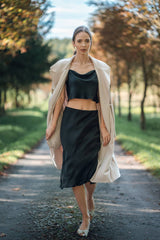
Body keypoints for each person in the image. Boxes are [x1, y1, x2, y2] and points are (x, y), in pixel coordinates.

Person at [46, 25, 120, 237]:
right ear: (74, 43)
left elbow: (102, 102)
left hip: (92, 123)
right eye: (80, 41)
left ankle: (89, 197)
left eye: (87, 40)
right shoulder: (65, 68)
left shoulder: (100, 69)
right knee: (75, 169)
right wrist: (52, 126)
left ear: (90, 43)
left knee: (91, 171)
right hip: (71, 123)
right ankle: (85, 218)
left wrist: (104, 127)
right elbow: (60, 98)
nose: (84, 44)